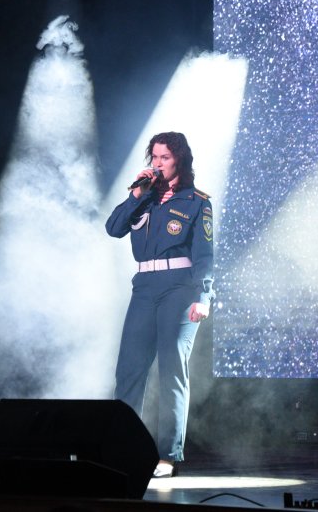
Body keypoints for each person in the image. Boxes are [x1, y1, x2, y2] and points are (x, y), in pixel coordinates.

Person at [105, 131, 215, 478]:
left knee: (171, 371)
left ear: (179, 159)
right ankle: (122, 449)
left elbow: (205, 256)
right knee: (129, 370)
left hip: (179, 288)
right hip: (144, 287)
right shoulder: (145, 197)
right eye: (154, 157)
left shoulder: (196, 201)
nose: (157, 163)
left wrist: (204, 297)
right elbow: (113, 228)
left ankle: (167, 455)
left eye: (164, 157)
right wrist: (137, 194)